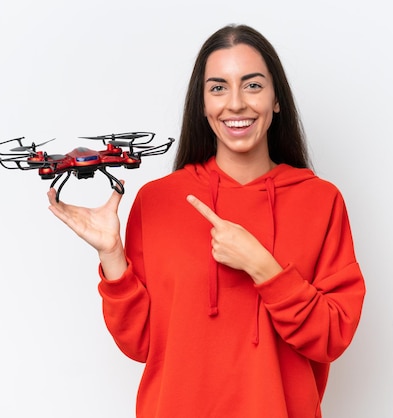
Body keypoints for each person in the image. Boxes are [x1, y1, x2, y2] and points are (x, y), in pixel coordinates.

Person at [48, 24, 365, 418]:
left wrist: (262, 265)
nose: (235, 103)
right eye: (218, 88)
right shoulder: (158, 200)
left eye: (252, 85)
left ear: (276, 98)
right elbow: (141, 343)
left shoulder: (321, 200)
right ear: (201, 104)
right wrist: (112, 254)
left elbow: (332, 336)